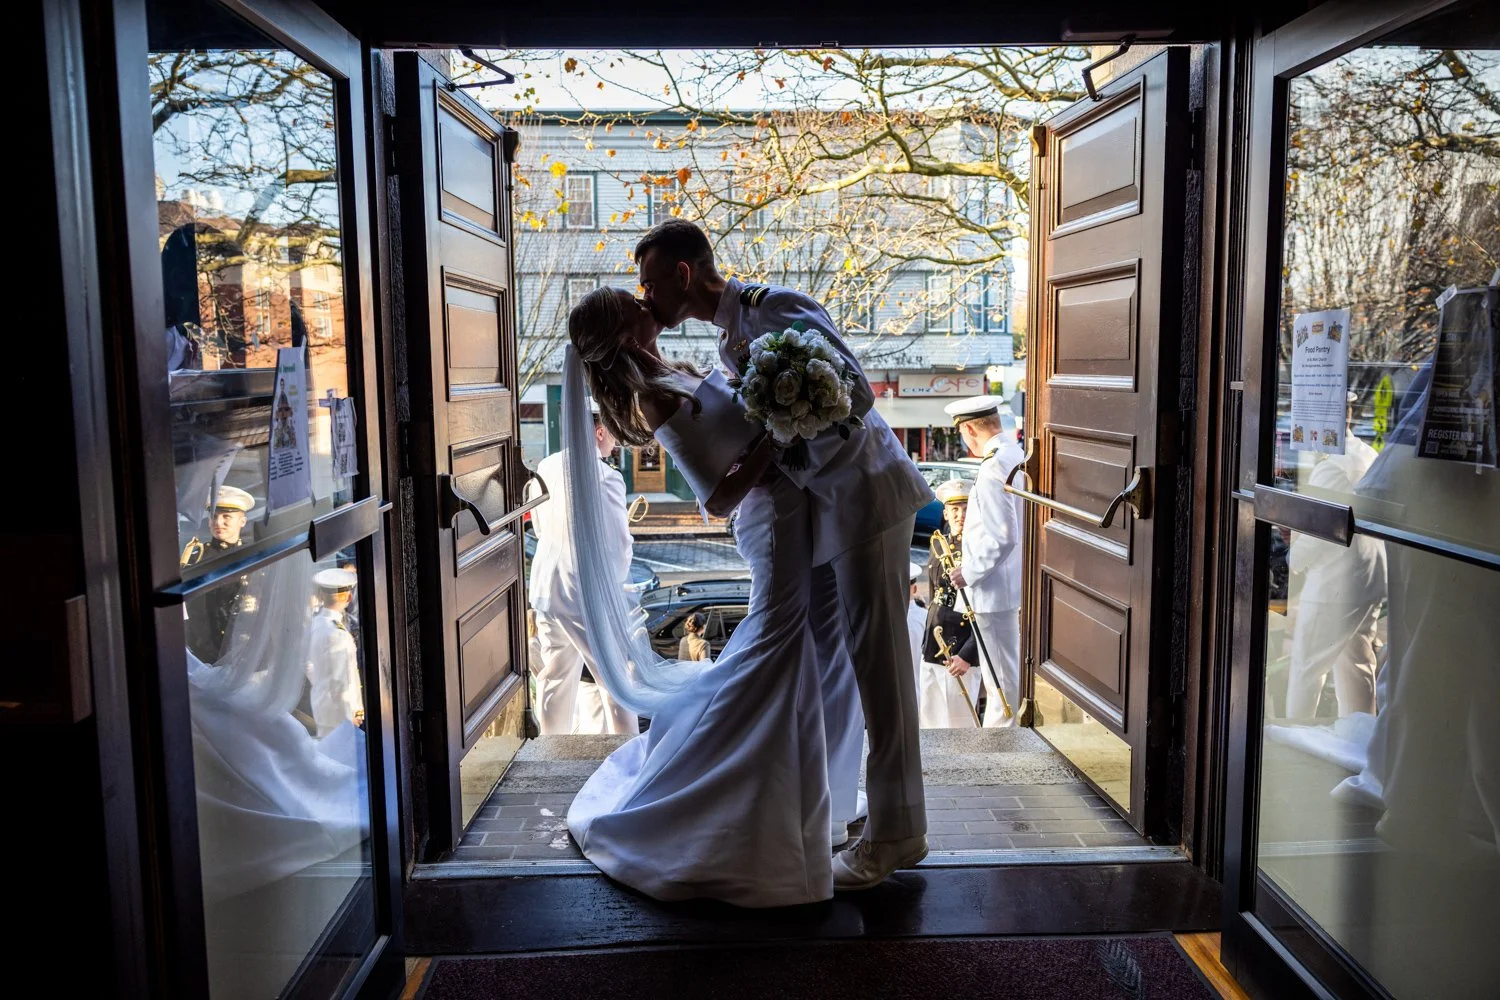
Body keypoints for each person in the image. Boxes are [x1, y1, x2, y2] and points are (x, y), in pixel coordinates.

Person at [636, 219, 934, 889]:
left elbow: (856, 392)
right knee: (842, 664)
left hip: (866, 494)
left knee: (881, 667)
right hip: (832, 510)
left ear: (683, 274)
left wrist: (780, 421)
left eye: (651, 283)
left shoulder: (773, 307)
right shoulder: (728, 340)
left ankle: (897, 835)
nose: (645, 296)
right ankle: (854, 809)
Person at [563, 286, 832, 906]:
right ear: (625, 330)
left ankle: (779, 799)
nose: (646, 302)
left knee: (782, 646)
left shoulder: (669, 372)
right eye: (633, 303)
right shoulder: (653, 396)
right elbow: (718, 495)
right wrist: (776, 432)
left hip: (787, 506)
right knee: (774, 645)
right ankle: (727, 802)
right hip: (770, 518)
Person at [528, 404, 640, 736]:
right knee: (614, 679)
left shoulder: (546, 466)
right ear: (599, 432)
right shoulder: (606, 477)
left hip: (547, 586)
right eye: (614, 434)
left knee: (555, 675)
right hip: (584, 593)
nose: (616, 443)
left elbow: (539, 526)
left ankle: (552, 748)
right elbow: (618, 545)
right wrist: (614, 586)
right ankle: (627, 750)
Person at [1285, 392, 1385, 718]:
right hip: (1370, 577)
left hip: (1336, 581)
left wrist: (1292, 561)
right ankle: (1358, 735)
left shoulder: (1331, 466)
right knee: (1357, 663)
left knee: (1306, 667)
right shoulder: (1367, 453)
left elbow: (1318, 532)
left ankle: (1295, 735)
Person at [943, 396, 1026, 728]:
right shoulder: (1013, 454)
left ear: (968, 429)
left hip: (994, 590)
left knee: (1001, 683)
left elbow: (1002, 536)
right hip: (1007, 585)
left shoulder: (994, 467)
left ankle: (1001, 747)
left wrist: (969, 572)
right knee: (1003, 677)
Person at [918, 479, 982, 729]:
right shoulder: (938, 543)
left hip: (960, 650)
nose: (960, 515)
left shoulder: (981, 550)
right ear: (945, 513)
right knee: (930, 721)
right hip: (933, 646)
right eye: (954, 509)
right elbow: (935, 593)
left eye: (966, 509)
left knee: (960, 727)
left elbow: (984, 608)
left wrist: (968, 655)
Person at [182, 485, 256, 664]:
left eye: (226, 517)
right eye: (214, 517)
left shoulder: (253, 556)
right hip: (203, 652)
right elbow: (188, 608)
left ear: (242, 521)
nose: (218, 522)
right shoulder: (195, 556)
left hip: (243, 649)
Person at [305, 567, 364, 737]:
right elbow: (340, 681)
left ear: (321, 595)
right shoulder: (337, 633)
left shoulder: (314, 625)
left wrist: (321, 683)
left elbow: (307, 664)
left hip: (322, 703)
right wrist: (350, 714)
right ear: (349, 597)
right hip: (340, 712)